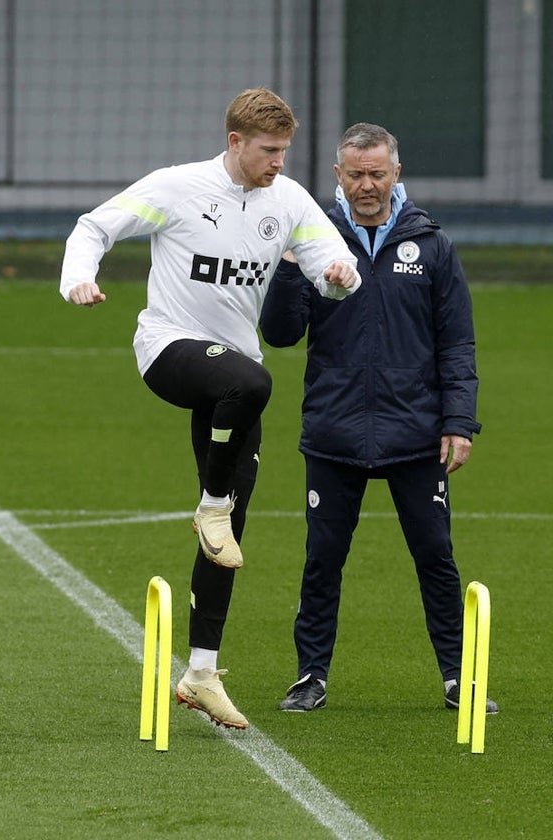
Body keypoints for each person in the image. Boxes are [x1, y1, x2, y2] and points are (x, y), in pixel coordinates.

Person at [59, 88, 361, 729]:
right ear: (234, 143)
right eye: (268, 151)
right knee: (252, 388)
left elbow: (334, 264)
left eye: (285, 150)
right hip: (167, 349)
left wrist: (340, 277)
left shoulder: (288, 200)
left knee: (229, 538)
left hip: (234, 368)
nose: (279, 161)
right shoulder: (178, 187)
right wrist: (77, 277)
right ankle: (210, 504)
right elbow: (96, 225)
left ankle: (199, 671)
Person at [260, 123, 497, 715]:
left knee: (435, 557)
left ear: (396, 174)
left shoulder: (432, 245)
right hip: (335, 432)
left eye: (378, 174)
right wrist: (290, 264)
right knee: (323, 560)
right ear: (338, 176)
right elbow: (280, 335)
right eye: (356, 174)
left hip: (416, 434)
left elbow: (457, 345)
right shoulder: (314, 238)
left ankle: (458, 678)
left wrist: (458, 422)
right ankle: (310, 676)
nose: (368, 185)